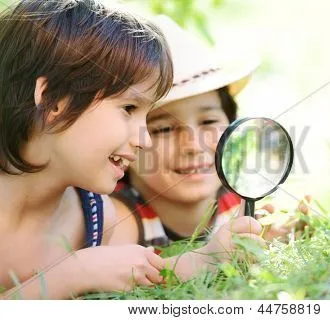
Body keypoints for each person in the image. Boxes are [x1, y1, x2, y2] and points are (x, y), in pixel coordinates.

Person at [0, 1, 257, 299]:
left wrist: (208, 257)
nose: (144, 139)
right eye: (129, 108)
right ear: (52, 101)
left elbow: (142, 270)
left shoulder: (96, 218)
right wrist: (73, 273)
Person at [110, 16, 308, 280]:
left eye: (208, 121)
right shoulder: (121, 217)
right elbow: (116, 276)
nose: (193, 144)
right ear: (129, 140)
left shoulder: (235, 202)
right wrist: (207, 258)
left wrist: (267, 236)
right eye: (164, 128)